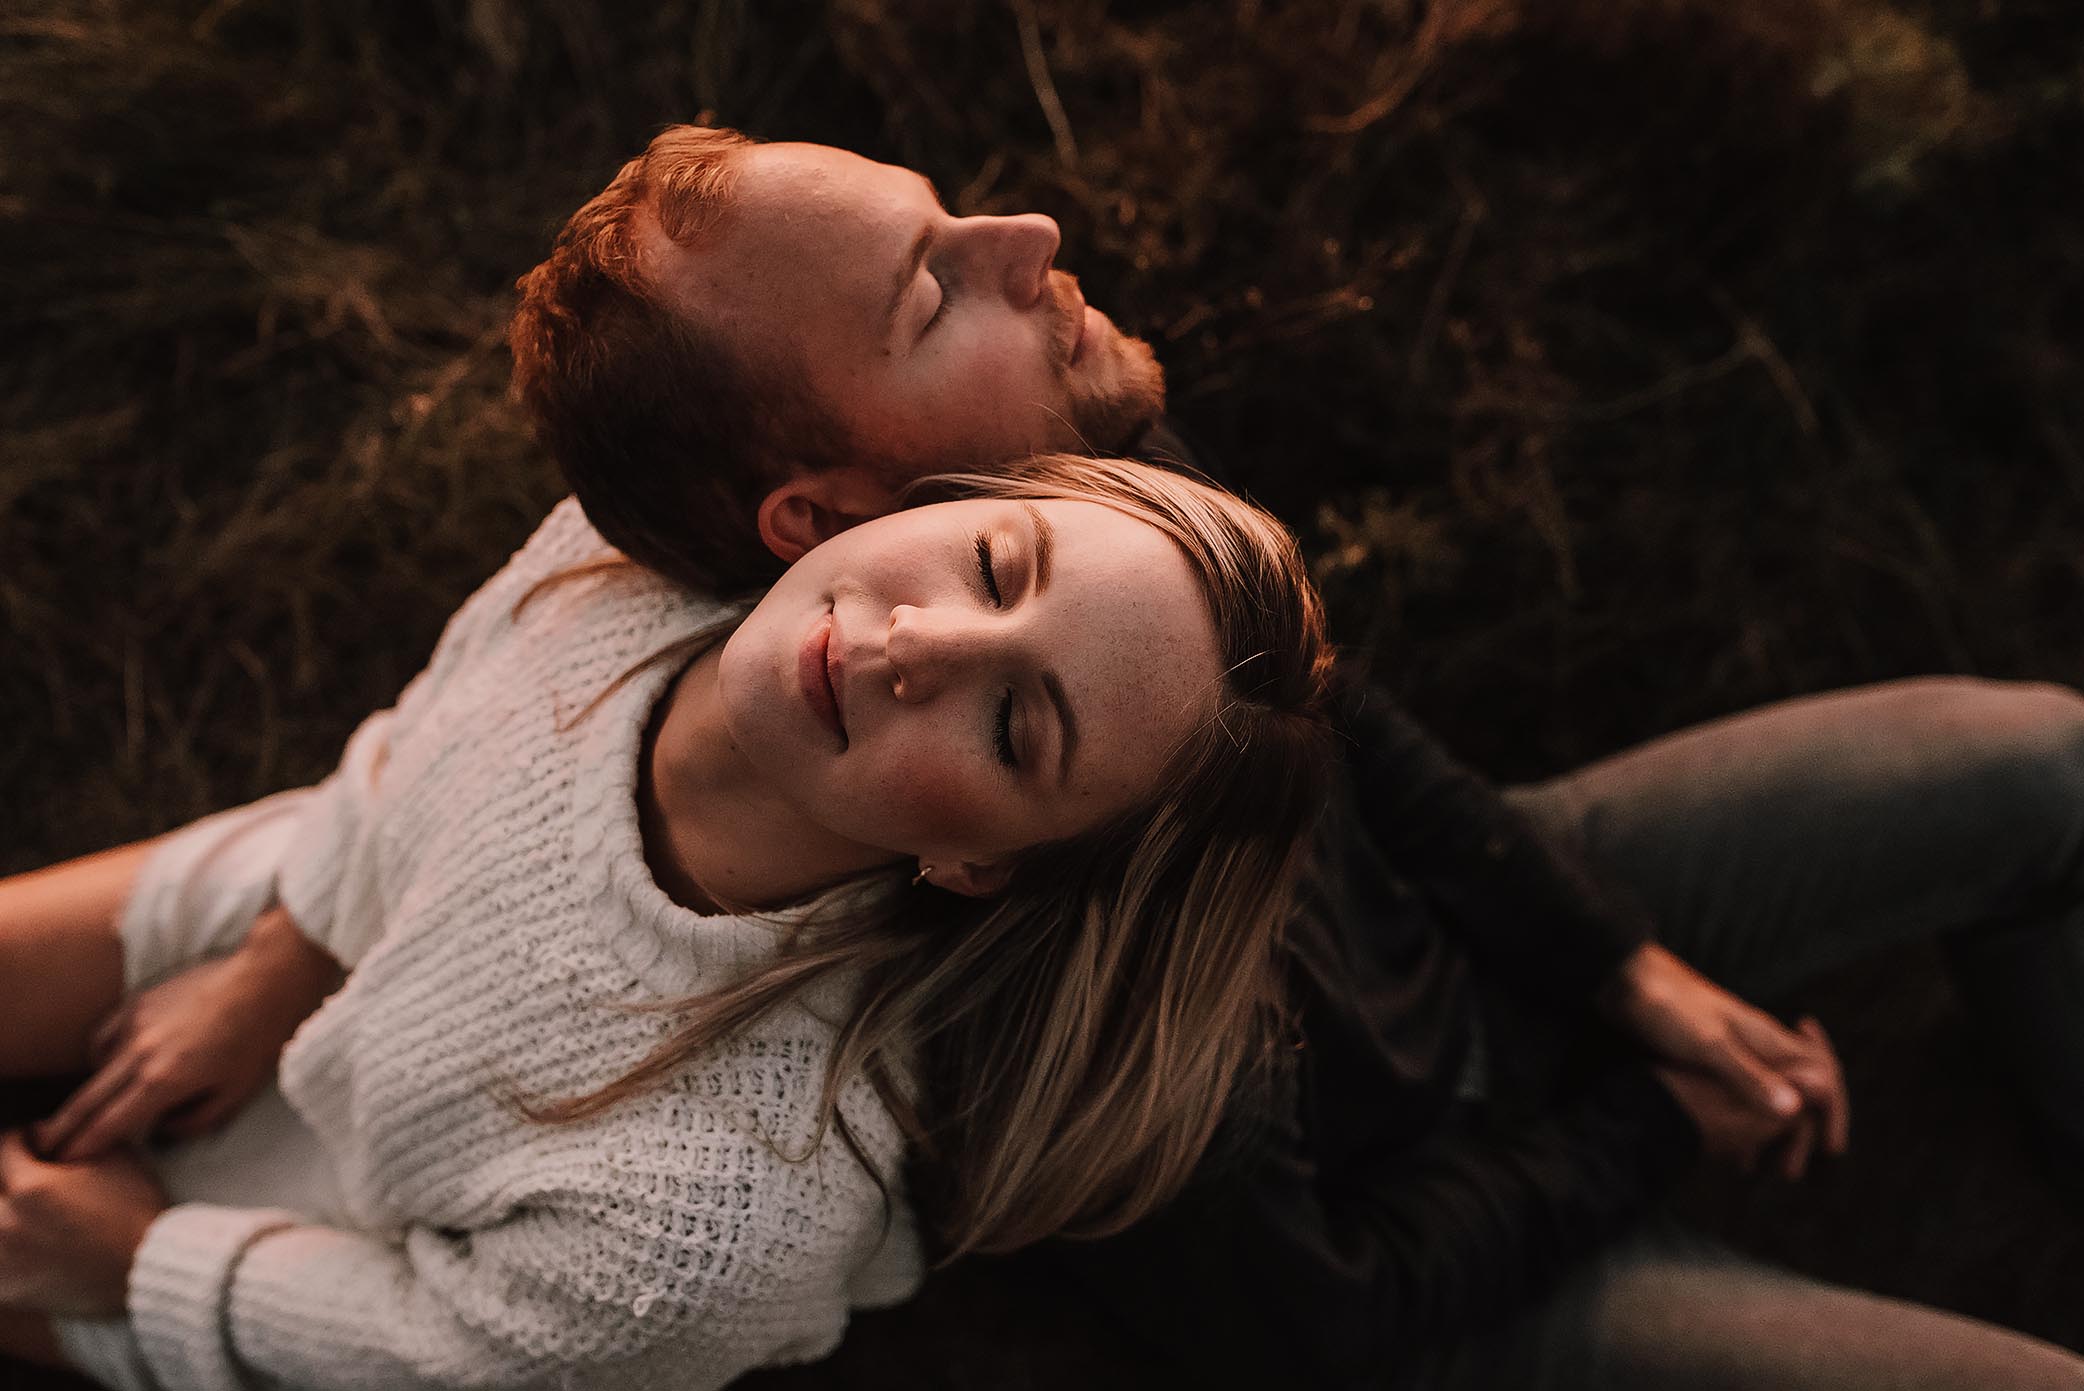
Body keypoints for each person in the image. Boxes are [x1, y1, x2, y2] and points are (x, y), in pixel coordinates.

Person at [13, 122, 2084, 1388]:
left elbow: (1367, 741)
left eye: (1021, 698)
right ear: (825, 511)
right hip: (1409, 1227)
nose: (920, 647)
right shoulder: (1099, 973)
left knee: (2042, 766)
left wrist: (1618, 971)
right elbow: (1338, 1325)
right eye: (938, 297)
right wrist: (1647, 1119)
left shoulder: (1114, 576)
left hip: (1466, 993)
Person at [0, 452, 1338, 1390]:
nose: (920, 643)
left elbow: (447, 1354)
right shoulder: (632, 555)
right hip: (324, 896)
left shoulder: (726, 1209)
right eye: (995, 565)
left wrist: (139, 1265)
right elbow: (431, 725)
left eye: (1011, 724)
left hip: (318, 1248)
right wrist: (274, 964)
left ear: (976, 862)